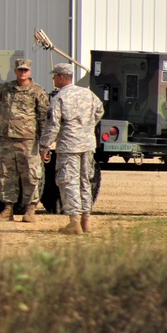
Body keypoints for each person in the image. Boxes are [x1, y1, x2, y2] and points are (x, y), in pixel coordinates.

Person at [0, 58, 50, 222]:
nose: (23, 72)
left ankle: (30, 210)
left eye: (25, 70)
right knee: (6, 175)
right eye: (20, 70)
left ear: (30, 71)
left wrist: (44, 145)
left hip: (29, 141)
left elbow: (44, 119)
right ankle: (8, 209)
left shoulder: (38, 92)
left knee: (31, 176)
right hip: (7, 140)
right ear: (15, 71)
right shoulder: (6, 89)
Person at [39, 62, 104, 235]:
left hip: (69, 146)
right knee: (85, 182)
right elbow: (99, 111)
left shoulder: (60, 97)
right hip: (88, 145)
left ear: (61, 77)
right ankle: (86, 221)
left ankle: (74, 223)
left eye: (54, 76)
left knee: (69, 182)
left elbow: (53, 124)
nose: (53, 79)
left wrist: (44, 145)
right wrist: (87, 127)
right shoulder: (88, 93)